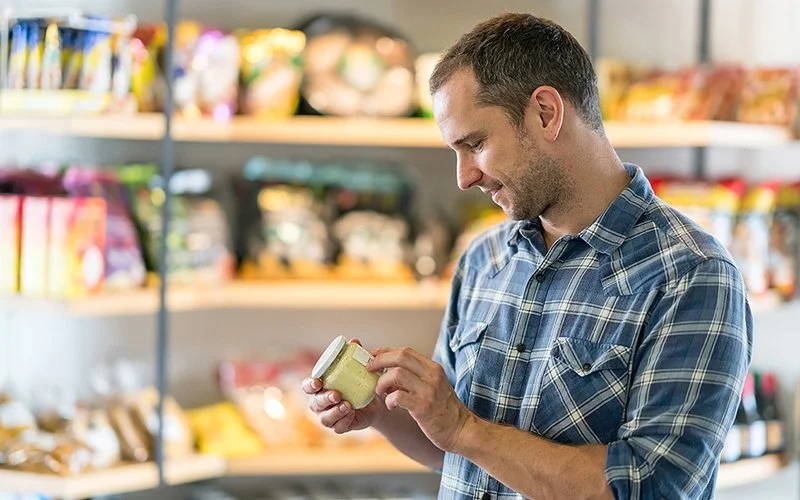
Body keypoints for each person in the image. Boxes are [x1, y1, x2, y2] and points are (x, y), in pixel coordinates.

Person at [302, 12, 752, 500]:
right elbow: (460, 454)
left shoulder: (692, 276)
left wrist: (463, 428)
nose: (463, 177)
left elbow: (652, 487)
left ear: (545, 112)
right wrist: (386, 414)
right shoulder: (483, 260)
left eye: (474, 144)